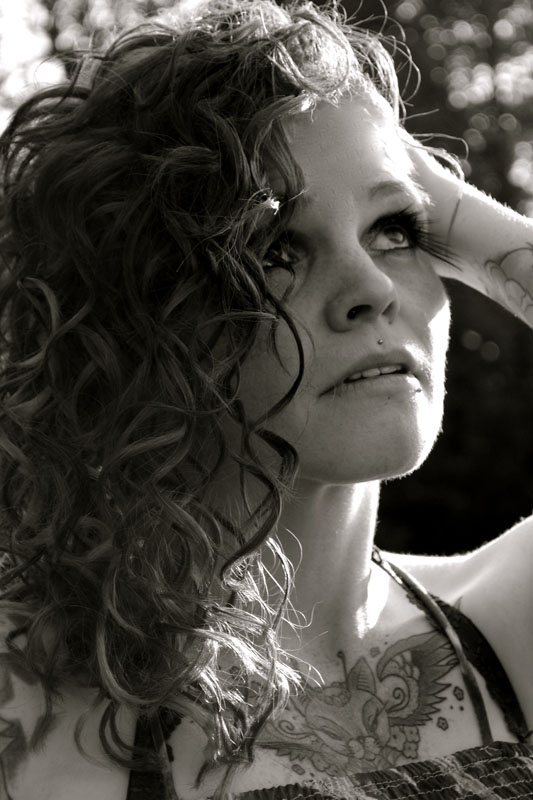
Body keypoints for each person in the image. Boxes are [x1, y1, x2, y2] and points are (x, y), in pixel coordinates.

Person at [0, 0, 532, 797]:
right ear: (140, 315)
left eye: (396, 230)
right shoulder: (37, 696)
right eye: (273, 248)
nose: (372, 289)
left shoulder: (504, 628)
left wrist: (442, 199)